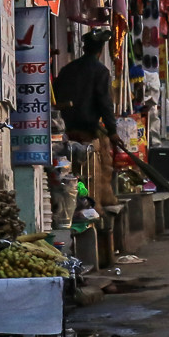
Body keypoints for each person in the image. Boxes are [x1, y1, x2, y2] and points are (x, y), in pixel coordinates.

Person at [54, 31, 118, 210]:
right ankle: (96, 205)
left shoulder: (67, 70)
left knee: (70, 172)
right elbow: (105, 104)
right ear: (101, 50)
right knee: (100, 167)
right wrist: (112, 132)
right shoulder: (101, 72)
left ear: (84, 48)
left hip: (64, 132)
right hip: (88, 132)